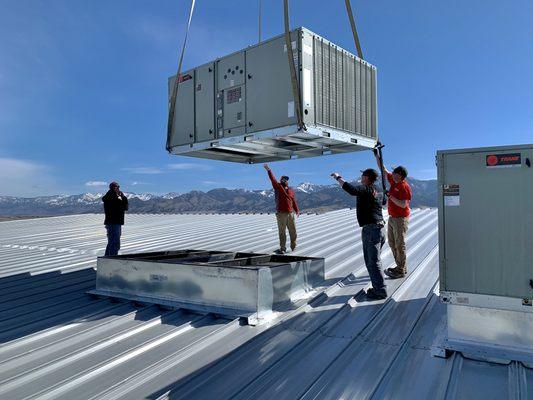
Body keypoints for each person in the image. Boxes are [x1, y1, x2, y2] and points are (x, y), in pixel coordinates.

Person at [331, 169, 387, 300]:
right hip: (379, 228)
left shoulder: (367, 189)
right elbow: (384, 201)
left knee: (372, 262)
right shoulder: (377, 189)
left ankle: (380, 291)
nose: (361, 177)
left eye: (362, 175)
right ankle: (378, 287)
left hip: (371, 229)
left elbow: (351, 190)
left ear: (366, 177)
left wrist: (338, 177)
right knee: (373, 261)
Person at [374, 151, 412, 279]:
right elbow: (383, 169)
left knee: (399, 243)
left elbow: (404, 204)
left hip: (401, 219)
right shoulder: (394, 181)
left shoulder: (404, 187)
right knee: (392, 242)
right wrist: (376, 155)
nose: (393, 174)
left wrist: (390, 196)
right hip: (393, 217)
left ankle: (401, 269)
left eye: (395, 172)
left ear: (400, 175)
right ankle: (400, 267)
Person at [263, 164, 300, 254]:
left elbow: (293, 201)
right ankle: (282, 248)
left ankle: (293, 245)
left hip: (290, 213)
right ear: (281, 180)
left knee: (293, 231)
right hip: (281, 213)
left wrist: (297, 210)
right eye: (284, 179)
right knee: (282, 232)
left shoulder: (291, 190)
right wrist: (269, 170)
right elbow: (272, 179)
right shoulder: (278, 187)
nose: (285, 180)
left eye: (286, 179)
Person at [102, 181, 129, 256]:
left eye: (118, 187)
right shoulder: (113, 197)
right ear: (112, 188)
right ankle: (112, 260)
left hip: (112, 223)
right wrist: (123, 197)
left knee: (111, 242)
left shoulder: (110, 196)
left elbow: (124, 207)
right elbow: (124, 207)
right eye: (116, 187)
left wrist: (121, 197)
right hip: (114, 223)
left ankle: (106, 260)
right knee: (115, 243)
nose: (118, 188)